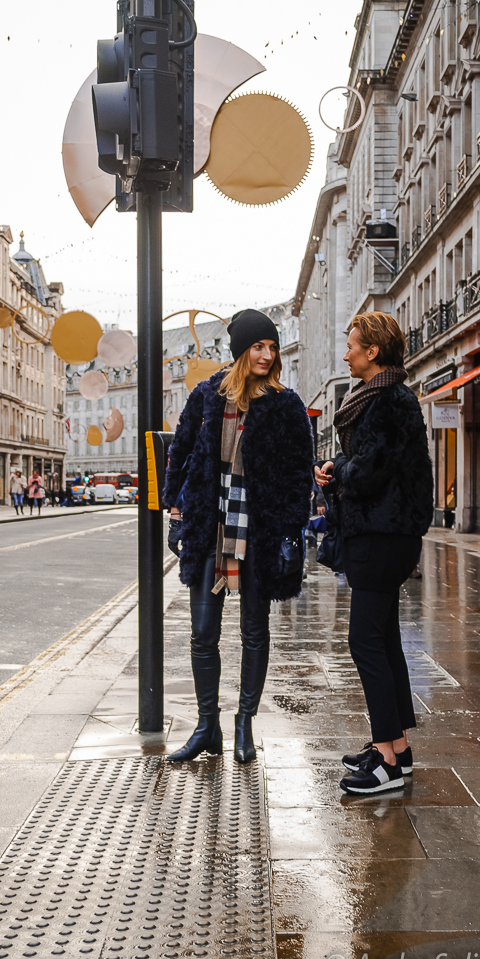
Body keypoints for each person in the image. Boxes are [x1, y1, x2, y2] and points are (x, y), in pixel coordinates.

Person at [163, 309, 314, 764]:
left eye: (272, 347)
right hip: (211, 524)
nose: (268, 355)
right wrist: (174, 508)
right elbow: (181, 449)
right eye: (259, 347)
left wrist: (292, 531)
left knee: (254, 628)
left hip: (260, 529)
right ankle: (206, 726)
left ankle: (243, 725)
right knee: (202, 633)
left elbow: (298, 473)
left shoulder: (286, 403)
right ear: (240, 351)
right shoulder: (207, 395)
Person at [315, 312, 433, 795]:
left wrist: (336, 467)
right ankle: (397, 750)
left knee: (365, 642)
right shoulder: (384, 398)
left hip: (382, 536)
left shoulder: (387, 401)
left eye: (352, 345)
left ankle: (385, 761)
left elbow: (368, 471)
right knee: (383, 642)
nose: (346, 353)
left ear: (373, 351)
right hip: (387, 535)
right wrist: (339, 467)